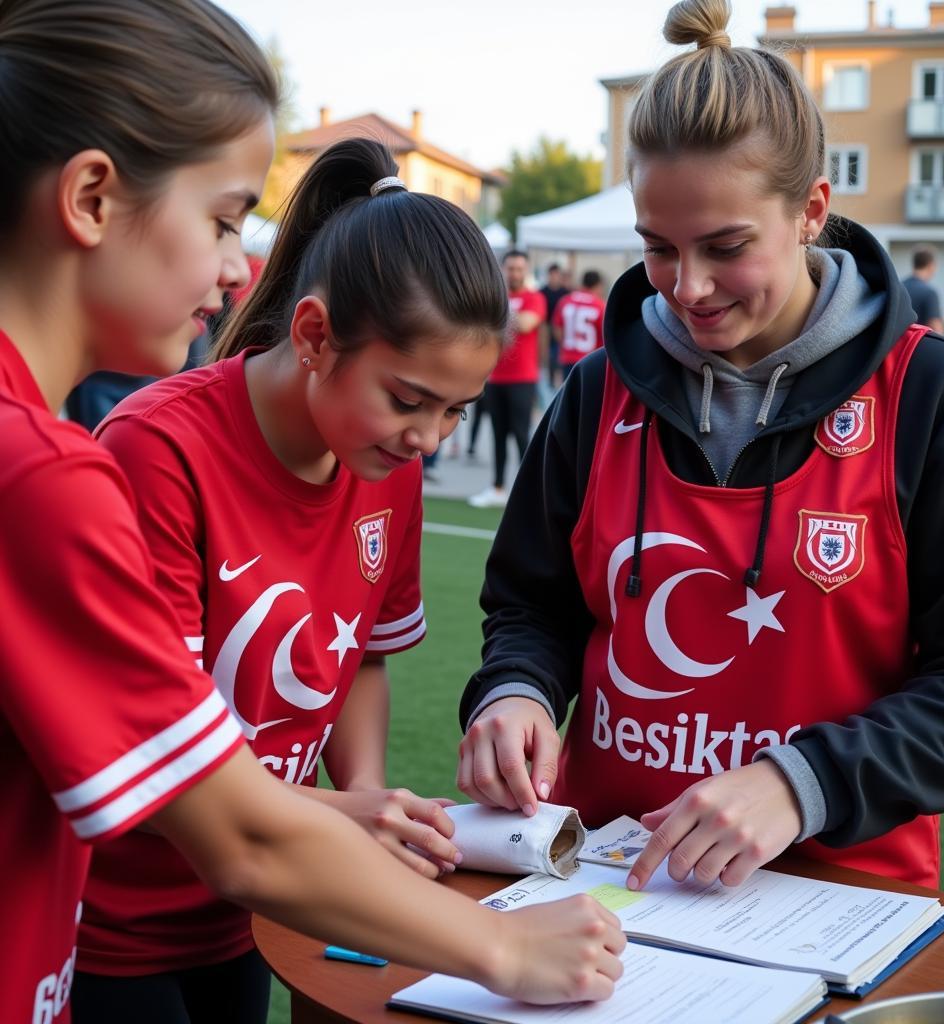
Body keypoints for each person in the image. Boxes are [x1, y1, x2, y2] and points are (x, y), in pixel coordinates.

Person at [0, 4, 626, 1023]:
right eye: (221, 217)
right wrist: (501, 946)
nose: (239, 263)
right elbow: (234, 830)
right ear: (91, 196)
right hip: (116, 938)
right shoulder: (53, 471)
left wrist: (361, 811)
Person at [457, 0, 944, 899]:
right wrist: (516, 691)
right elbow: (530, 607)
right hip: (611, 888)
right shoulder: (598, 390)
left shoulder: (931, 394)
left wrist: (800, 785)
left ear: (811, 211)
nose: (687, 288)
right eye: (657, 248)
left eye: (726, 247)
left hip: (838, 900)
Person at [72, 136, 526, 1019]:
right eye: (406, 399)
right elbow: (156, 749)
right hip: (112, 926)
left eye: (454, 412)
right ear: (315, 335)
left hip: (261, 907)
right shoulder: (158, 451)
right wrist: (330, 820)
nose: (429, 440)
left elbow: (363, 657)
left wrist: (358, 801)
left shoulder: (389, 470)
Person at [468, 250, 545, 508]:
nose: (514, 273)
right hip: (495, 379)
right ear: (502, 269)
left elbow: (525, 324)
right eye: (510, 268)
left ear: (526, 271)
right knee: (498, 435)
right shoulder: (498, 299)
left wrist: (495, 313)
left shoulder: (533, 297)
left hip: (522, 378)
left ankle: (530, 491)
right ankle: (498, 487)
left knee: (522, 436)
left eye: (519, 268)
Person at [552, 270, 606, 380]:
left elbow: (557, 329)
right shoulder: (600, 305)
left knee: (569, 394)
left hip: (568, 358)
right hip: (591, 360)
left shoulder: (565, 300)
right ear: (598, 285)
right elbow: (605, 334)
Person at [900, 246, 944, 335]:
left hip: (898, 345)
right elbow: (936, 328)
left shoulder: (899, 287)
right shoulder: (930, 293)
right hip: (919, 345)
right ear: (931, 265)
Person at [540, 262, 570, 388]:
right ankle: (550, 384)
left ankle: (560, 384)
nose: (554, 277)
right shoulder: (542, 292)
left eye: (556, 275)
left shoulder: (566, 292)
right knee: (549, 359)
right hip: (546, 330)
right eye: (552, 275)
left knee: (560, 358)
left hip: (561, 330)